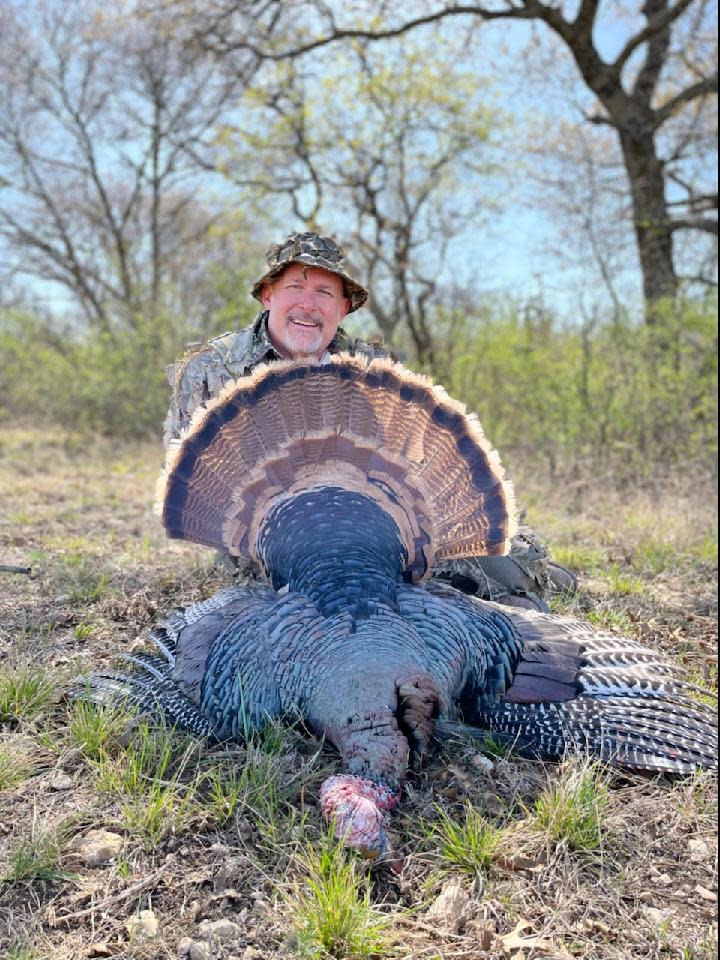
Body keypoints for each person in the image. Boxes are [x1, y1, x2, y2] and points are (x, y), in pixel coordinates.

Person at [163, 231, 576, 610]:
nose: (308, 304)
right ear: (268, 294)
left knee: (494, 558)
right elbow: (199, 488)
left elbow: (410, 468)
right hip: (268, 546)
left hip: (369, 524)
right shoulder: (211, 369)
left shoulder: (372, 368)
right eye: (295, 287)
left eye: (324, 292)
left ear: (343, 308)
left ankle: (528, 571)